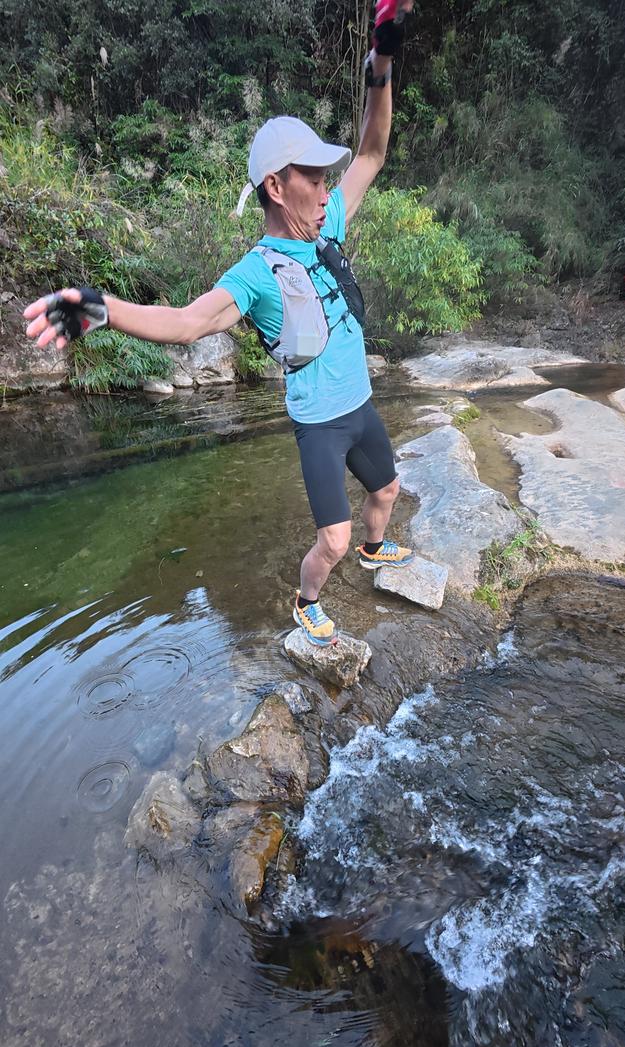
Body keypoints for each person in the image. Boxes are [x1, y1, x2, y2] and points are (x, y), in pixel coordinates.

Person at [24, 0, 415, 647]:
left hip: (363, 402)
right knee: (332, 539)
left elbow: (373, 149)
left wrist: (383, 59)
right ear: (274, 185)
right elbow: (186, 322)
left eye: (325, 177)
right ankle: (306, 598)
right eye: (313, 176)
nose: (327, 187)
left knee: (388, 492)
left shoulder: (330, 224)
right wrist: (103, 308)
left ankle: (378, 552)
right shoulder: (256, 272)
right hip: (319, 420)